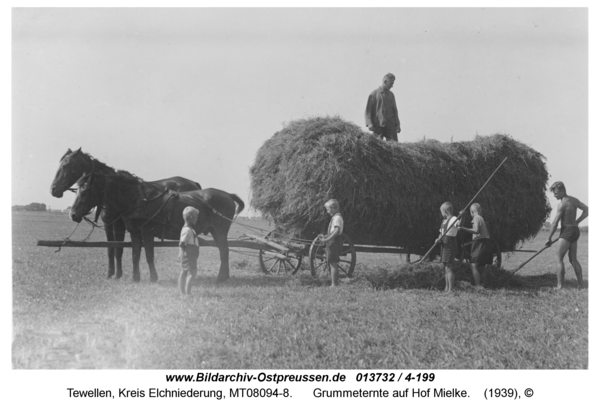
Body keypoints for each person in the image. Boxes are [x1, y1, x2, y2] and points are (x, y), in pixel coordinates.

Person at [545, 181, 588, 289]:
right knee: (573, 258)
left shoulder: (562, 204)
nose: (554, 195)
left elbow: (555, 222)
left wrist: (548, 238)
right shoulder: (574, 200)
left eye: (556, 193)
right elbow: (587, 210)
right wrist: (577, 221)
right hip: (575, 230)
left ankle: (560, 286)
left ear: (562, 191)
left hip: (567, 231)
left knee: (559, 258)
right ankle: (581, 284)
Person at [459, 203, 492, 287]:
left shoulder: (476, 218)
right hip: (485, 242)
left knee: (473, 265)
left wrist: (463, 228)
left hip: (480, 243)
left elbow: (476, 230)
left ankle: (478, 286)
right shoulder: (481, 218)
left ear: (472, 211)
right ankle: (482, 283)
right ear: (480, 210)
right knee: (480, 265)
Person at [364, 73, 401, 142]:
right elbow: (368, 111)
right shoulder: (373, 94)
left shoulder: (391, 95)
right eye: (391, 83)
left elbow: (395, 110)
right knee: (377, 147)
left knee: (395, 148)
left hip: (391, 126)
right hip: (378, 125)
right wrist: (369, 123)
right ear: (385, 82)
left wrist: (398, 124)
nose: (392, 86)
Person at [318, 199, 344, 287]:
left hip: (334, 243)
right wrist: (326, 236)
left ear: (333, 208)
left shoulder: (337, 218)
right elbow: (333, 231)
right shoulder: (335, 218)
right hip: (332, 242)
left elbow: (336, 231)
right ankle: (333, 282)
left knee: (333, 263)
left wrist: (326, 239)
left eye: (328, 209)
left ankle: (334, 284)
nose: (327, 211)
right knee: (332, 262)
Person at [436, 202, 459, 291]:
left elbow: (458, 225)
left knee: (449, 267)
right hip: (444, 245)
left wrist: (462, 217)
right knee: (445, 267)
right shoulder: (444, 221)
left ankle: (451, 289)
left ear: (445, 211)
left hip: (450, 245)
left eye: (441, 212)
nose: (441, 214)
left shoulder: (454, 219)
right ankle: (446, 288)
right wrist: (438, 239)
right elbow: (441, 233)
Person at [178, 206, 200, 295]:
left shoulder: (189, 229)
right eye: (196, 217)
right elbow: (182, 243)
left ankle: (184, 293)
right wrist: (183, 252)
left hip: (190, 253)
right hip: (189, 253)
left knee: (185, 272)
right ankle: (187, 294)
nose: (197, 219)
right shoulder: (187, 230)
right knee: (192, 273)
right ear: (191, 218)